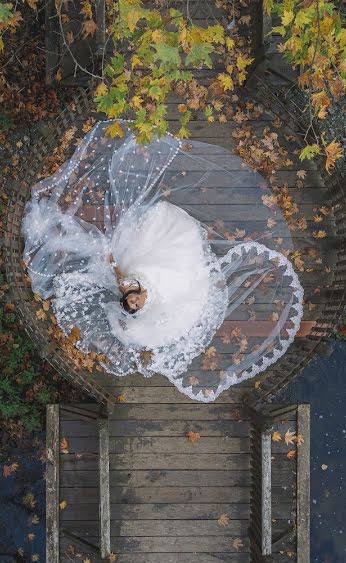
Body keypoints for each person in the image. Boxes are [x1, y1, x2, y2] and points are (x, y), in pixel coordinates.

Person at [21, 120, 304, 401]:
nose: (133, 302)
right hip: (166, 288)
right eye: (133, 305)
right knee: (183, 285)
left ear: (130, 295)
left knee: (163, 242)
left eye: (130, 301)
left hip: (148, 266)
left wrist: (110, 261)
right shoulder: (142, 306)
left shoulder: (126, 284)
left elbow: (120, 271)